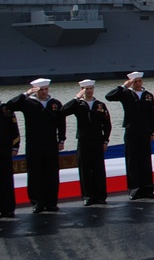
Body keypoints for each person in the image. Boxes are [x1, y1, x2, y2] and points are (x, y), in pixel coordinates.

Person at [4, 78, 65, 213]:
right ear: (35, 90)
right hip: (34, 144)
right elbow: (9, 105)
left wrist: (61, 139)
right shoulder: (27, 103)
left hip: (50, 144)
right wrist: (27, 93)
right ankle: (37, 202)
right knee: (35, 174)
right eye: (41, 90)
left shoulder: (55, 103)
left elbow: (61, 122)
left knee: (52, 174)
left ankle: (51, 202)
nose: (44, 92)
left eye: (45, 89)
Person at [106, 72, 154, 200]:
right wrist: (123, 86)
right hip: (131, 131)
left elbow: (152, 115)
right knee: (132, 160)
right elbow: (109, 96)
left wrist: (152, 131)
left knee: (145, 160)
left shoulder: (148, 96)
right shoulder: (126, 94)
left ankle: (147, 189)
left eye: (140, 81)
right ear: (131, 82)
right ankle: (135, 189)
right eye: (135, 81)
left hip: (145, 131)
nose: (138, 83)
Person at [61, 79, 112, 206]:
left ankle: (101, 196)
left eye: (91, 88)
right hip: (83, 141)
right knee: (85, 170)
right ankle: (88, 196)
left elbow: (107, 124)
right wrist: (76, 98)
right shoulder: (78, 105)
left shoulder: (100, 105)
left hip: (97, 141)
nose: (89, 91)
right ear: (82, 90)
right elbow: (63, 111)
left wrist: (105, 140)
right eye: (86, 89)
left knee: (99, 169)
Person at [0, 104, 22, 218]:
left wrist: (15, 147)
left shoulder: (6, 110)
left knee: (6, 180)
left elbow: (14, 129)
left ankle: (8, 209)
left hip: (4, 150)